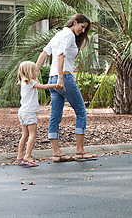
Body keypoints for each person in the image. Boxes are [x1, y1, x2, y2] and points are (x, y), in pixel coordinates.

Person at [36, 13, 97, 162]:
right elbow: (60, 56)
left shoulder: (58, 35)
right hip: (64, 78)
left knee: (55, 117)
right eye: (82, 27)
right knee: (81, 112)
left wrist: (33, 74)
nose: (83, 31)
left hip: (52, 79)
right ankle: (80, 151)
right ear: (74, 22)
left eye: (85, 29)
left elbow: (44, 54)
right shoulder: (69, 35)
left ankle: (56, 153)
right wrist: (62, 78)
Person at [16, 61, 57, 167]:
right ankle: (28, 156)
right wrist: (56, 85)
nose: (37, 72)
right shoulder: (31, 83)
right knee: (33, 135)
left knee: (24, 135)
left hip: (22, 111)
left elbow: (37, 81)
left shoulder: (24, 82)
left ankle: (20, 156)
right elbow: (43, 86)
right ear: (29, 72)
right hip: (29, 112)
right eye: (35, 71)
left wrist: (35, 77)